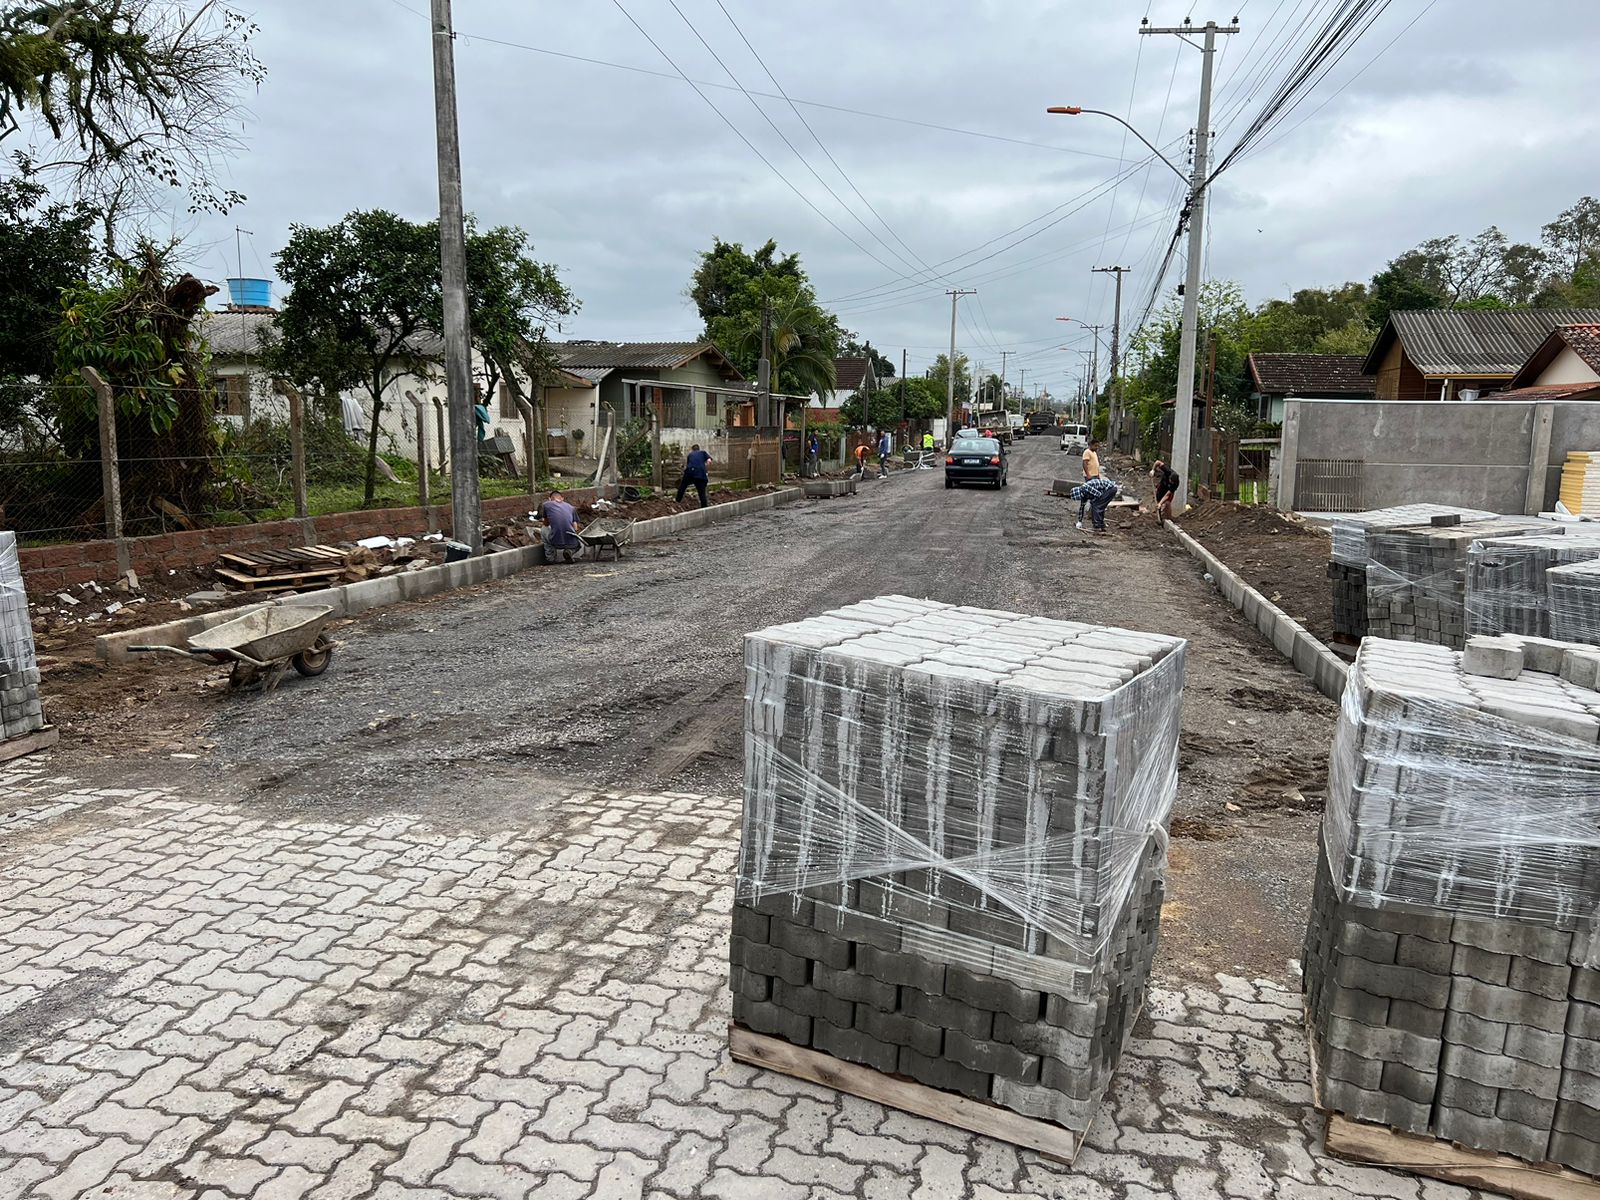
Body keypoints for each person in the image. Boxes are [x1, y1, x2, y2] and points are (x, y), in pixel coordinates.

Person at [538, 489, 582, 563]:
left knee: (543, 529)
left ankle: (550, 558)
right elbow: (575, 526)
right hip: (572, 542)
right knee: (578, 545)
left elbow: (546, 523)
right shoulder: (571, 507)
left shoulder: (546, 504)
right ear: (562, 498)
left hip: (555, 542)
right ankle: (569, 551)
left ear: (550, 499)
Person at [1077, 438, 1103, 531]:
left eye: (1098, 445)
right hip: (1090, 478)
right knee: (1088, 497)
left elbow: (1095, 465)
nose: (1097, 447)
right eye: (1096, 445)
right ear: (1091, 445)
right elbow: (1084, 463)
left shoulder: (1094, 453)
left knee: (1096, 498)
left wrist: (1098, 476)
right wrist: (1088, 475)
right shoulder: (1087, 452)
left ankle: (1094, 518)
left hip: (1095, 477)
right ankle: (1082, 518)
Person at [677, 442, 712, 507]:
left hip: (690, 472)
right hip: (700, 474)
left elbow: (688, 465)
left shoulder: (690, 455)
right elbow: (709, 460)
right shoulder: (703, 452)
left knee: (683, 486)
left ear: (692, 450)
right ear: (699, 449)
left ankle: (677, 501)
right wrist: (706, 467)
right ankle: (704, 506)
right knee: (701, 492)